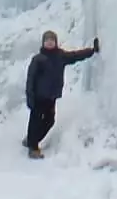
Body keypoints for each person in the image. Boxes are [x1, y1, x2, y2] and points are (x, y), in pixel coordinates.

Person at [22, 30, 98, 158]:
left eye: (52, 40)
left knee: (49, 121)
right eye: (47, 40)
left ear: (56, 42)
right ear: (43, 43)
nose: (50, 42)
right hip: (38, 96)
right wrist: (30, 97)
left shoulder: (60, 56)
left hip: (51, 96)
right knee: (35, 121)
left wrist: (91, 51)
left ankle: (31, 140)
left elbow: (75, 55)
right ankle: (33, 148)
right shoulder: (38, 59)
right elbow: (30, 79)